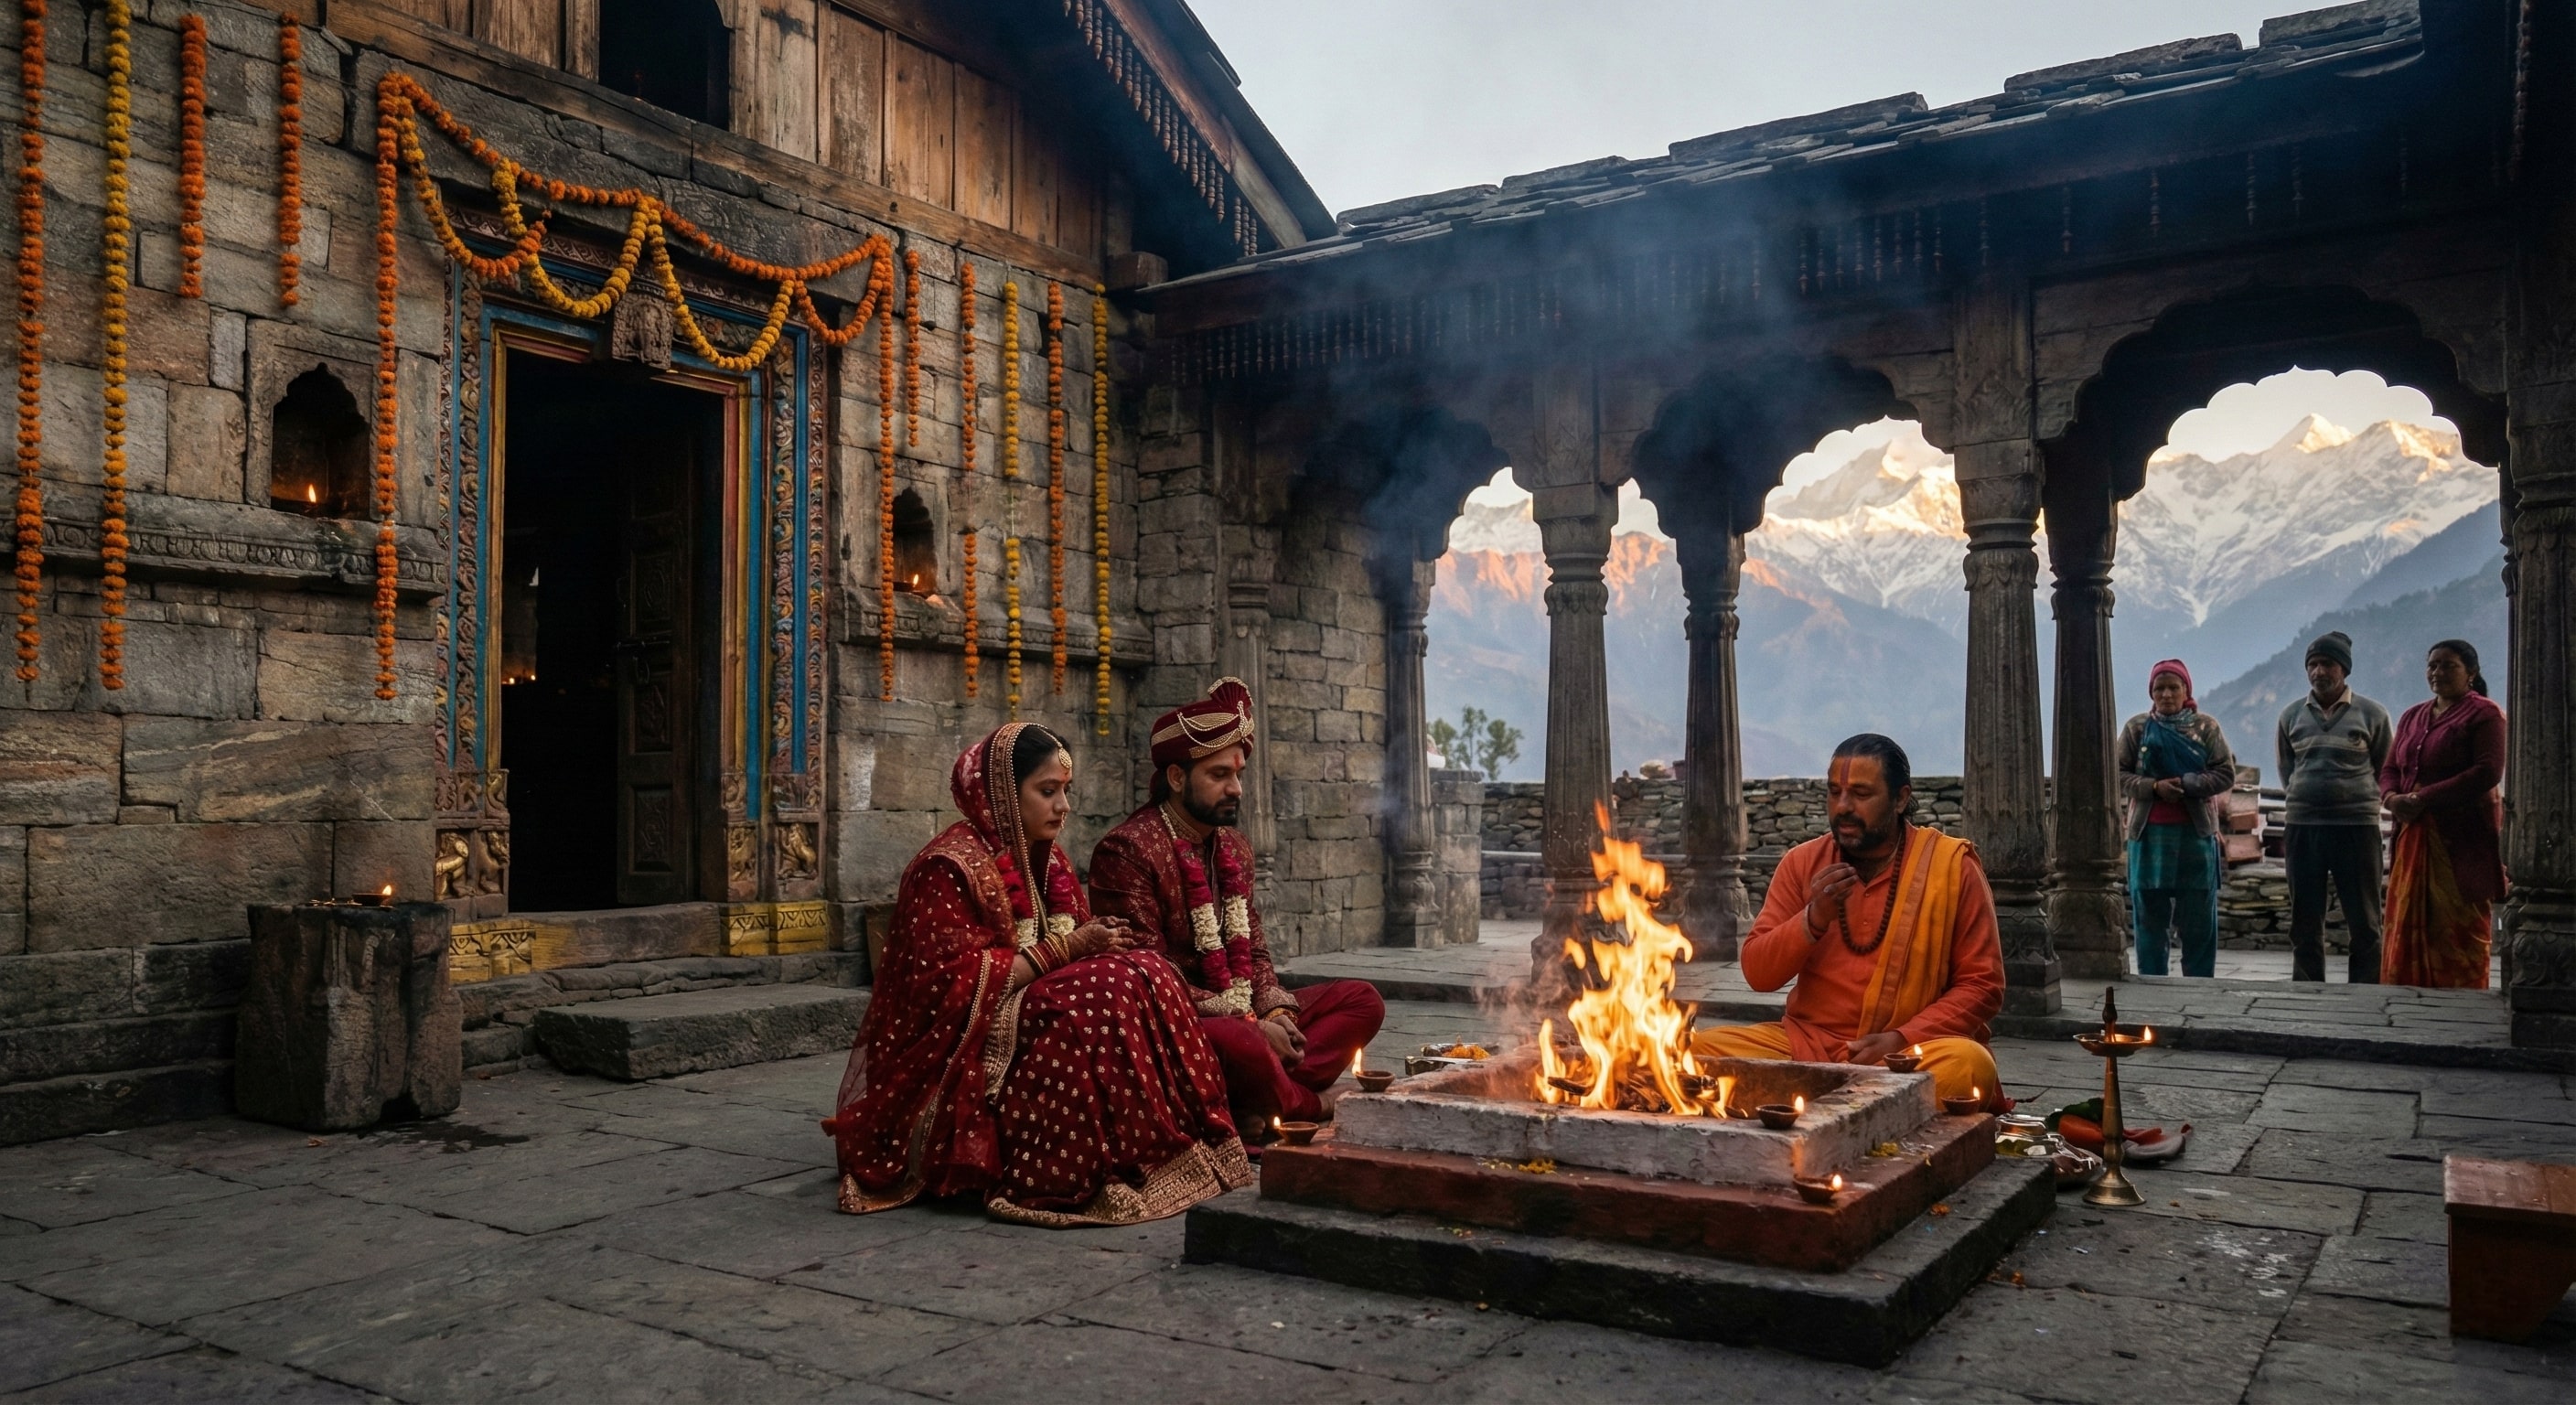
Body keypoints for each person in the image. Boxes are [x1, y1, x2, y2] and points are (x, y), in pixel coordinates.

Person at [824, 723, 1250, 1227]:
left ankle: (1158, 1150)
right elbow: (948, 988)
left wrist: (1100, 949)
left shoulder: (1049, 860)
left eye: (1065, 791)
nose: (1063, 807)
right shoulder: (946, 867)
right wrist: (1068, 949)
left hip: (1027, 1006)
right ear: (1003, 794)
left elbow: (1082, 946)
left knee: (1142, 970)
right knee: (1092, 997)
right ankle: (1069, 1170)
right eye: (1047, 792)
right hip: (958, 1045)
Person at [1089, 678, 1386, 1135]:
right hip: (1177, 1028)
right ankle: (1305, 1106)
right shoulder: (1128, 851)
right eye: (1218, 776)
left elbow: (1257, 953)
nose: (1236, 789)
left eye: (1238, 776)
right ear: (1176, 778)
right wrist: (1249, 1026)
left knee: (1362, 1001)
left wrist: (1275, 1015)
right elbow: (1148, 977)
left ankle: (1254, 1101)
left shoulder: (1235, 848)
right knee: (1238, 1040)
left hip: (1241, 1017)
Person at [1690, 735, 2006, 1108]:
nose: (1842, 807)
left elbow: (1982, 985)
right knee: (1697, 1051)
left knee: (1969, 1064)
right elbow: (1759, 974)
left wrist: (1902, 1038)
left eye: (1860, 793)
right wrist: (1812, 918)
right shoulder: (1802, 863)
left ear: (1900, 799)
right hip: (1808, 1047)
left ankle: (1812, 1105)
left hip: (1908, 1055)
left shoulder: (1953, 868)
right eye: (1834, 792)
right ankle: (1869, 1107)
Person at [2380, 639, 2507, 988]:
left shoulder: (2485, 714)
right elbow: (2390, 767)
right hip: (2413, 833)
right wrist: (2391, 798)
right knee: (2408, 918)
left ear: (2471, 672)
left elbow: (2487, 771)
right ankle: (2405, 994)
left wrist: (2423, 797)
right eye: (2432, 665)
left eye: (2448, 665)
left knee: (2457, 925)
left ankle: (2460, 997)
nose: (2437, 672)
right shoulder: (2412, 716)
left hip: (2461, 840)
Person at [2275, 630, 2393, 982]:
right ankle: (2308, 991)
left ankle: (2365, 992)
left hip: (2357, 828)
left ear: (2344, 669)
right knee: (2304, 919)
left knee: (2365, 920)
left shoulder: (2372, 715)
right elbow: (2287, 769)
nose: (2318, 672)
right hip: (2303, 827)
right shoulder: (2291, 715)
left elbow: (2385, 768)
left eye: (2327, 664)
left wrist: (2354, 798)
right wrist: (2307, 797)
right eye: (2312, 665)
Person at [2116, 660, 2238, 978]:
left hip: (2194, 835)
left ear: (2186, 690)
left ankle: (2199, 983)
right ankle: (2152, 980)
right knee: (2149, 916)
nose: (2166, 695)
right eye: (2160, 688)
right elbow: (2117, 774)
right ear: (2151, 692)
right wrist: (2154, 788)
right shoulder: (2137, 729)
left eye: (2174, 687)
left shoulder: (2206, 728)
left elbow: (2225, 773)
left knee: (2198, 917)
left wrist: (2188, 784)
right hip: (2149, 836)